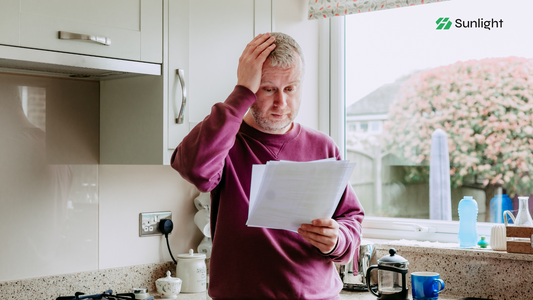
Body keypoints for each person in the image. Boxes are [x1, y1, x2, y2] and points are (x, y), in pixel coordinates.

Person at [171, 32, 364, 300]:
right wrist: (240, 93)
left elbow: (351, 219)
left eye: (290, 89)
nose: (281, 103)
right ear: (250, 88)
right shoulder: (227, 141)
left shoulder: (324, 147)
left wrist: (337, 239)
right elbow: (195, 169)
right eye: (268, 88)